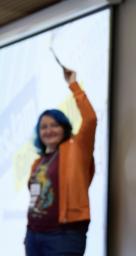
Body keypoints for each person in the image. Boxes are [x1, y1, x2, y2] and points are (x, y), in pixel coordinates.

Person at [25, 68, 97, 256]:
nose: (48, 130)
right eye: (43, 127)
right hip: (34, 234)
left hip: (64, 235)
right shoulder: (38, 162)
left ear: (64, 127)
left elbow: (90, 120)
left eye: (54, 125)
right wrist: (29, 233)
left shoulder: (77, 147)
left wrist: (73, 84)